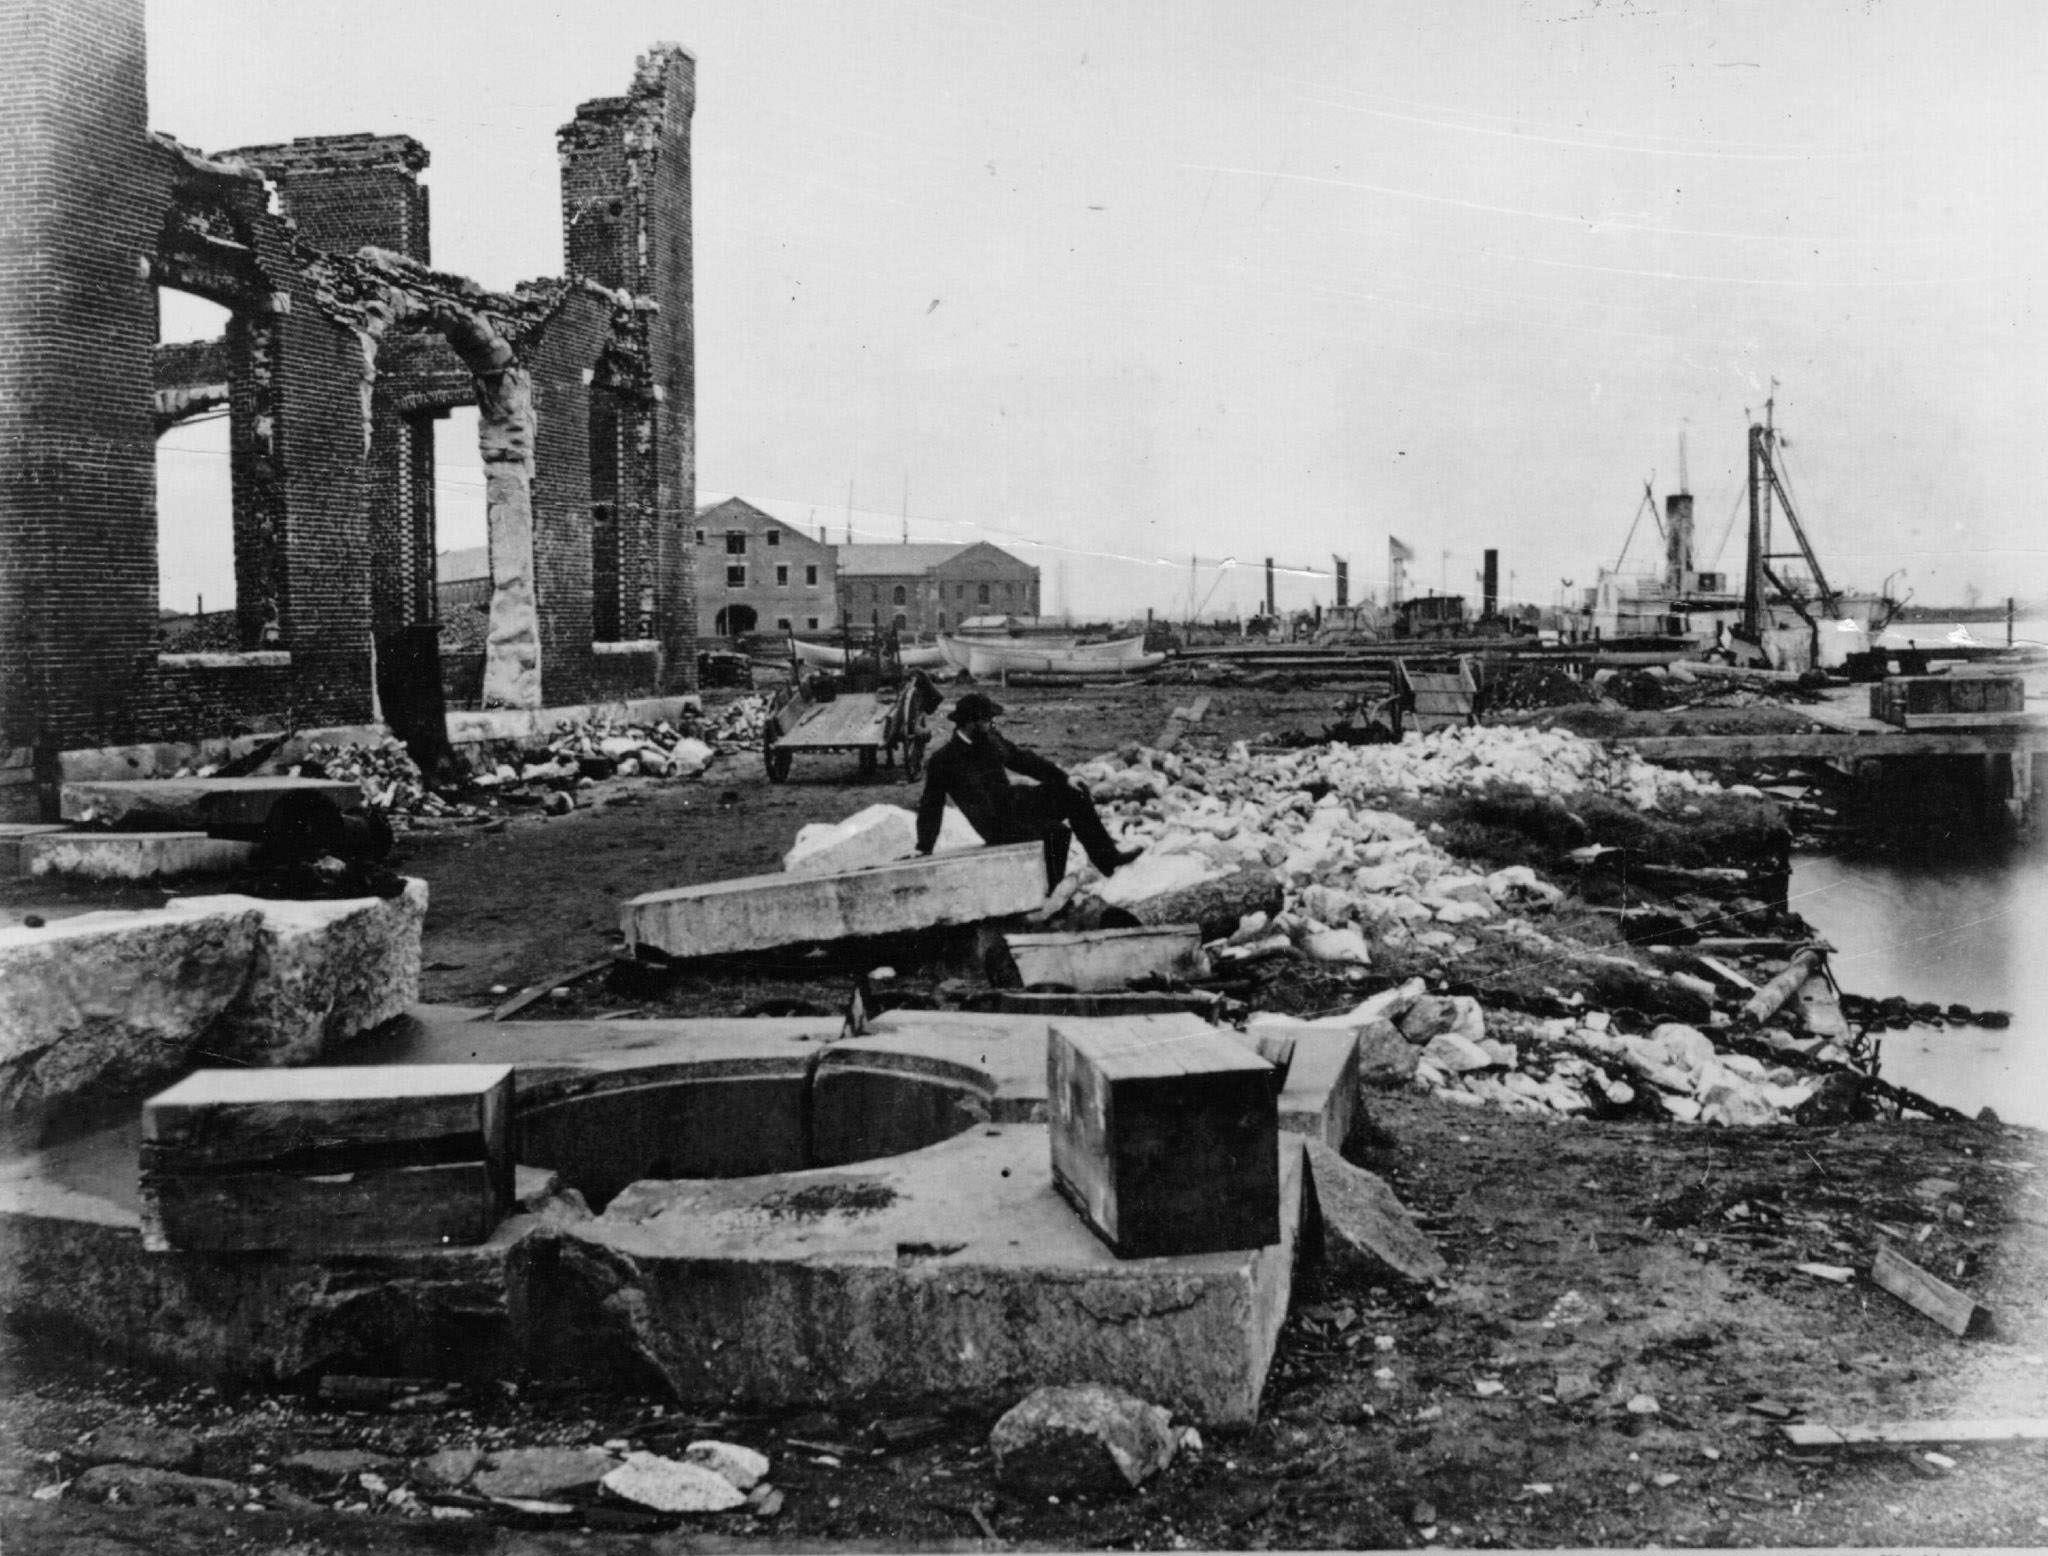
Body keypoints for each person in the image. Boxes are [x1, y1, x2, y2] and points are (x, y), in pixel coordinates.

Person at [914, 692, 1140, 883]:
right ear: (971, 723)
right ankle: (1050, 892)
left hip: (1014, 803)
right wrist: (924, 846)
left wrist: (1063, 778)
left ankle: (1108, 860)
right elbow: (931, 805)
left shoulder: (990, 739)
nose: (992, 724)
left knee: (1074, 794)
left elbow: (1023, 760)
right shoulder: (943, 760)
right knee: (1057, 833)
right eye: (988, 720)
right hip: (995, 824)